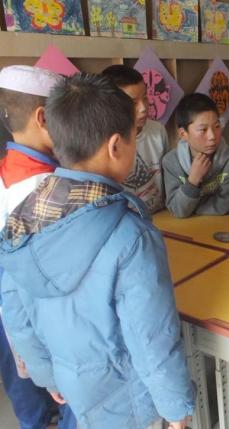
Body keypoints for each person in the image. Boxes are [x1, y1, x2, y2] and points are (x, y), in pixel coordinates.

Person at [0, 73, 195, 429]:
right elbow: (151, 336)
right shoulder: (131, 233)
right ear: (116, 146)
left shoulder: (23, 215)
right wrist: (175, 409)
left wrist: (48, 375)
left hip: (72, 382)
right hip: (128, 396)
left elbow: (14, 307)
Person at [0, 64, 76, 429]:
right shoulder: (47, 189)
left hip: (10, 315)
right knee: (61, 399)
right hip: (38, 320)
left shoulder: (7, 169)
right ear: (44, 118)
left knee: (31, 404)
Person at [163, 93, 229, 218]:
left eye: (217, 126)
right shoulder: (171, 162)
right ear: (183, 134)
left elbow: (224, 206)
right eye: (203, 130)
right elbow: (177, 209)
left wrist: (191, 208)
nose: (212, 136)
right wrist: (192, 181)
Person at [102, 64, 170, 213]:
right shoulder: (102, 142)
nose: (143, 108)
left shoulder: (157, 131)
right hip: (127, 221)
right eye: (133, 103)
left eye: (145, 98)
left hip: (161, 215)